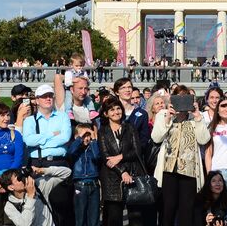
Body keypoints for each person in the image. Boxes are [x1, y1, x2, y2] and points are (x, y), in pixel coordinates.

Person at [151, 95, 211, 226]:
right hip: (168, 169)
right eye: (178, 100)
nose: (182, 104)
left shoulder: (197, 118)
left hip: (189, 170)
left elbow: (204, 140)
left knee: (187, 209)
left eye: (186, 100)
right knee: (168, 209)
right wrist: (168, 117)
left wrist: (197, 116)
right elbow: (156, 138)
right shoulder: (163, 115)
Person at [22, 84, 74, 225]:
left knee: (62, 205)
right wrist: (51, 135)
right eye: (44, 96)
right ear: (37, 100)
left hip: (58, 163)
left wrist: (40, 141)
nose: (48, 99)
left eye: (50, 96)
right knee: (40, 207)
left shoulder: (62, 117)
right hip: (38, 163)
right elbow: (28, 140)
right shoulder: (29, 120)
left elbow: (65, 138)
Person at [98, 95, 148, 226]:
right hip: (112, 178)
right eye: (112, 110)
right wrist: (122, 172)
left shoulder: (130, 128)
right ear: (106, 113)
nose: (116, 112)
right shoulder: (102, 131)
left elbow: (137, 151)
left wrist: (121, 156)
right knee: (114, 218)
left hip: (133, 174)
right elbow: (106, 157)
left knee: (136, 217)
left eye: (118, 108)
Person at [0, 166, 72, 226]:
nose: (23, 179)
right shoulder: (9, 207)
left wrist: (42, 170)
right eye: (19, 179)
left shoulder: (38, 186)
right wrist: (30, 196)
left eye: (22, 176)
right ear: (11, 187)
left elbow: (67, 172)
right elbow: (25, 224)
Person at [68, 124, 100, 226]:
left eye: (88, 135)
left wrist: (94, 140)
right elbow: (70, 153)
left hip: (94, 185)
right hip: (80, 186)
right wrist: (79, 139)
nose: (86, 138)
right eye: (83, 135)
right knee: (80, 218)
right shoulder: (75, 148)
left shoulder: (93, 148)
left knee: (94, 218)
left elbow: (97, 157)